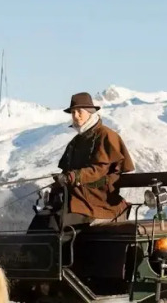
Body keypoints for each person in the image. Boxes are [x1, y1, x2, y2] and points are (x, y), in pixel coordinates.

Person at [52, 92, 134, 228]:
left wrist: (73, 176)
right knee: (42, 221)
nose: (76, 116)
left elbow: (99, 170)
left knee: (59, 225)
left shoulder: (106, 135)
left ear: (90, 112)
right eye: (73, 112)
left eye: (79, 111)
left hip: (98, 199)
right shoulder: (75, 141)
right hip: (78, 196)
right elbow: (66, 170)